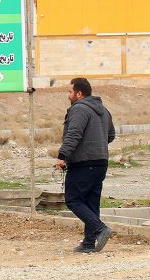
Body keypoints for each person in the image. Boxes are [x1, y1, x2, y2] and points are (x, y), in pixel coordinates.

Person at [56, 78, 116, 253]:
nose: (68, 95)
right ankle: (89, 243)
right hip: (101, 163)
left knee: (73, 200)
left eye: (70, 92)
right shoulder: (104, 110)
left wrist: (62, 156)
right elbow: (110, 136)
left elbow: (73, 134)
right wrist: (96, 143)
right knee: (91, 203)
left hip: (84, 163)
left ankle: (100, 229)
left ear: (79, 93)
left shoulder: (79, 109)